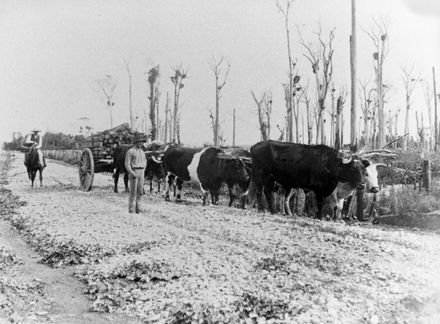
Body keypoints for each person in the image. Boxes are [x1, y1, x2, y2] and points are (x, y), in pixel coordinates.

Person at [125, 133, 147, 213]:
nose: (141, 144)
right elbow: (127, 164)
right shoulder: (130, 151)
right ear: (136, 142)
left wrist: (143, 170)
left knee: (140, 192)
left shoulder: (142, 152)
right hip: (134, 171)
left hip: (141, 172)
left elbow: (145, 161)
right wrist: (132, 173)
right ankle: (131, 208)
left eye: (142, 142)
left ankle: (139, 208)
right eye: (139, 142)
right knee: (133, 192)